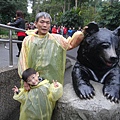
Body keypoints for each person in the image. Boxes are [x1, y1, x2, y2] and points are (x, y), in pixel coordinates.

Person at [18, 12, 87, 91]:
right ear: (35, 24)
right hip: (32, 80)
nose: (45, 25)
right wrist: (25, 80)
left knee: (50, 99)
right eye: (42, 22)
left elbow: (70, 44)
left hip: (51, 79)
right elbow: (23, 61)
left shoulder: (56, 39)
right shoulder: (28, 40)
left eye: (47, 23)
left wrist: (82, 33)